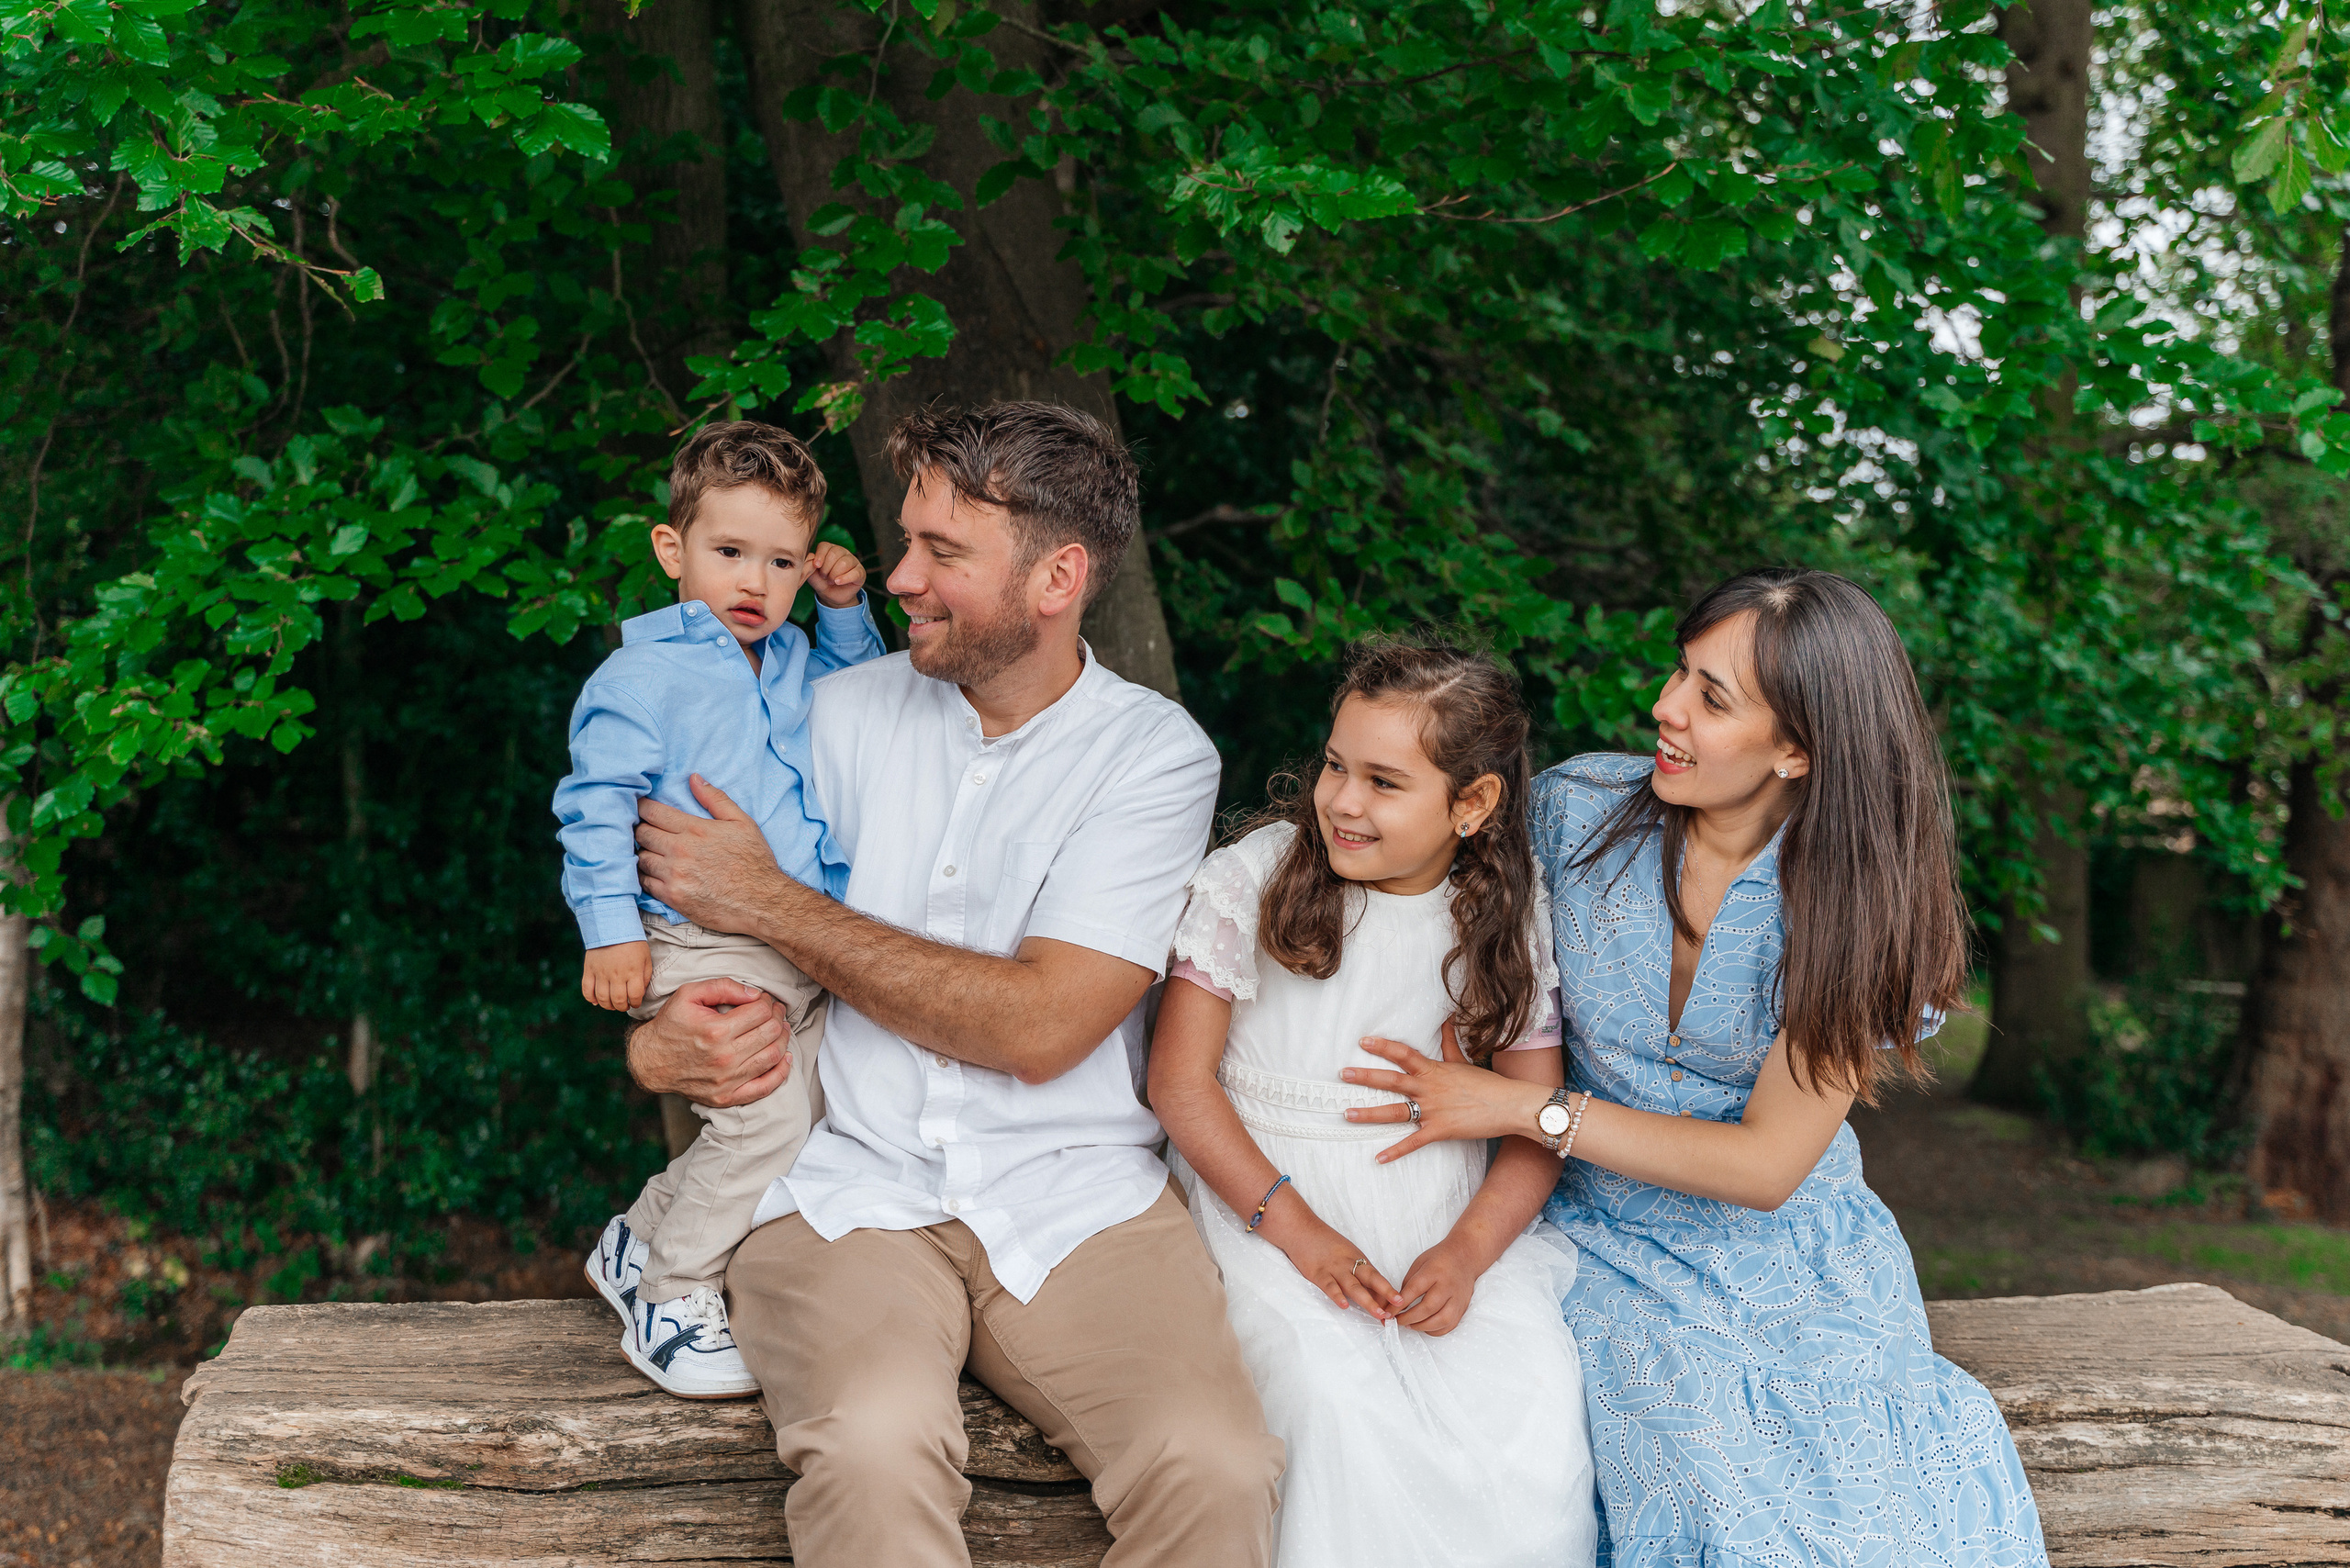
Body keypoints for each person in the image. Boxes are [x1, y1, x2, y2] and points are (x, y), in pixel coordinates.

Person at [624, 401, 1284, 1568]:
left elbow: (1039, 1027)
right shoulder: (823, 714)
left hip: (1078, 1200)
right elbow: (680, 917)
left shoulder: (1153, 756)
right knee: (876, 1446)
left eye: (942, 552)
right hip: (840, 1190)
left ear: (1056, 578)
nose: (898, 576)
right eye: (907, 540)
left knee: (1215, 1466)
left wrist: (775, 899)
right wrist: (657, 1040)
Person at [1338, 569, 2050, 1566]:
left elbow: (1764, 1168)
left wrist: (1526, 1107)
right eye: (1681, 672)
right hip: (1597, 1237)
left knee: (1872, 1509)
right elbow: (1414, 893)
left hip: (1798, 1261)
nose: (1665, 707)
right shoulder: (1572, 815)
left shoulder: (1859, 914)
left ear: (1797, 747)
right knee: (1692, 1480)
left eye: (1712, 698)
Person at [1150, 639, 1599, 1568]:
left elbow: (1533, 1125)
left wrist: (1470, 1252)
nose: (1343, 800)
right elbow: (1179, 1084)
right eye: (1335, 764)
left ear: (1471, 804)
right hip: (1266, 1212)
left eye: (1384, 782)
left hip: (1440, 1221)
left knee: (1529, 1417)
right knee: (1331, 1404)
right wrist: (1300, 1232)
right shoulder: (1258, 876)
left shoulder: (1502, 919)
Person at [553, 420, 883, 1399]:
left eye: (780, 561)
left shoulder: (788, 658)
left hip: (796, 934)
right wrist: (609, 929)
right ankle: (673, 1290)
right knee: (762, 1118)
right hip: (694, 938)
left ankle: (638, 1237)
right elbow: (594, 804)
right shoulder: (641, 675)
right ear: (673, 549)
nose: (755, 580)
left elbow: (858, 694)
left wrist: (846, 609)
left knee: (813, 1106)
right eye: (729, 552)